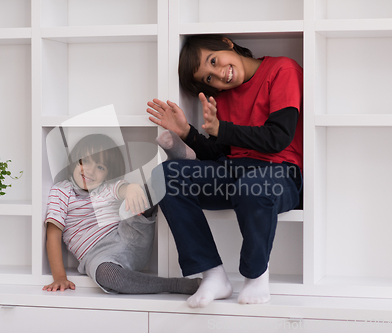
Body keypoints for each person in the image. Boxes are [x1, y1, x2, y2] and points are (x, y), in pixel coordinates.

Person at [147, 34, 303, 307]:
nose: (220, 75)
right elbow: (221, 155)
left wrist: (222, 129)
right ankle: (214, 275)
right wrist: (187, 133)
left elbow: (279, 137)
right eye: (209, 78)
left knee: (251, 186)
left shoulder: (282, 69)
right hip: (234, 171)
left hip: (280, 173)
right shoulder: (223, 98)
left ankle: (256, 275)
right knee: (165, 176)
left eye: (214, 61)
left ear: (226, 43)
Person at [43, 133, 200, 294]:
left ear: (107, 174)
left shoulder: (105, 187)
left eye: (100, 167)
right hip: (98, 256)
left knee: (140, 194)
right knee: (106, 276)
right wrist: (59, 276)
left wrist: (131, 188)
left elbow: (121, 189)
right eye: (85, 161)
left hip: (129, 235)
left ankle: (176, 162)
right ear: (74, 161)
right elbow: (53, 234)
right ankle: (173, 285)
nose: (90, 171)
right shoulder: (62, 190)